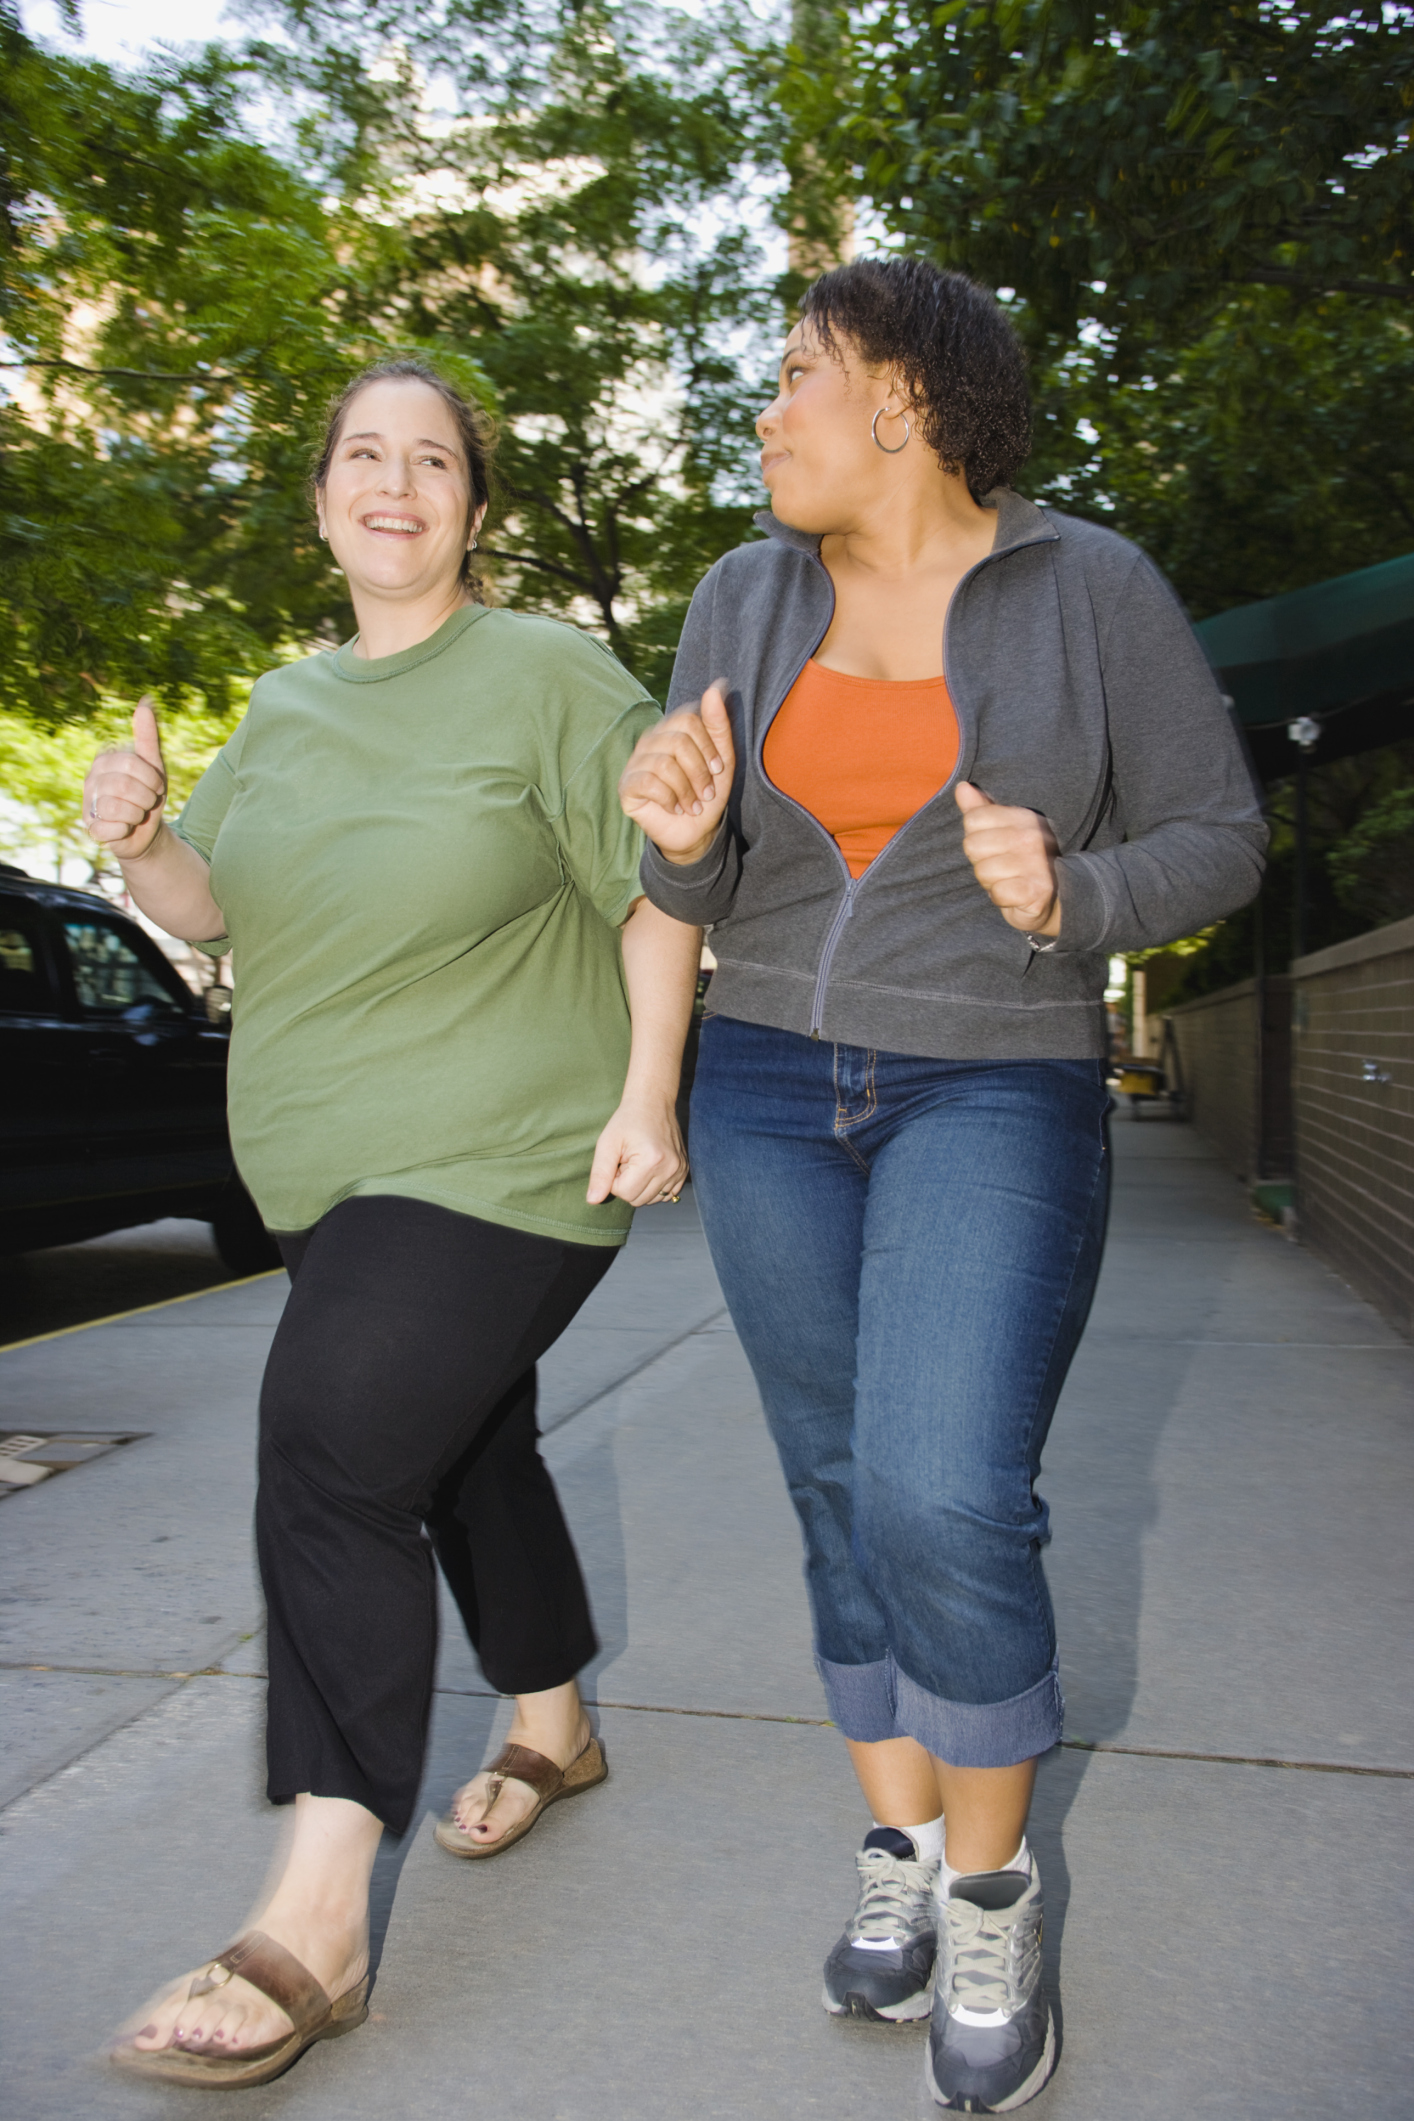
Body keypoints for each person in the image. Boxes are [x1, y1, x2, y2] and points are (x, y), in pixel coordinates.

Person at [619, 258, 1265, 2113]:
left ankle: (993, 1888)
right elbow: (687, 886)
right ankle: (898, 1849)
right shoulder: (740, 596)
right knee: (836, 1487)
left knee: (943, 1488)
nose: (767, 411)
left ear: (900, 399)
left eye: (796, 377)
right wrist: (673, 839)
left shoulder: (1091, 588)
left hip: (991, 1076)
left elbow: (1220, 828)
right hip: (759, 1083)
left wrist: (1076, 894)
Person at [86, 358, 701, 2089]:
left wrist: (650, 1088)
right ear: (322, 500)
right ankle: (554, 1716)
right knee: (461, 1445)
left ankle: (320, 1900)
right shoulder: (281, 704)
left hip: (507, 1155)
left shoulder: (549, 674)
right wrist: (140, 843)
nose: (395, 482)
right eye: (365, 453)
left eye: (432, 459)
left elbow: (655, 876)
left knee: (335, 1451)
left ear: (473, 510)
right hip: (326, 1177)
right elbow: (223, 903)